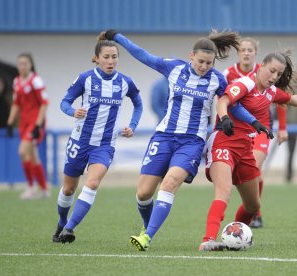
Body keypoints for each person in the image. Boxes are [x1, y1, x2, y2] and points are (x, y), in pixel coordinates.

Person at [104, 29, 268, 251]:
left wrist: (253, 122)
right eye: (201, 61)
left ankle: (147, 237)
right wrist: (117, 37)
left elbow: (233, 103)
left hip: (192, 142)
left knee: (170, 183)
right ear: (191, 56)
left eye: (209, 63)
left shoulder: (217, 79)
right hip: (164, 136)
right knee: (143, 193)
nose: (204, 66)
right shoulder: (174, 68)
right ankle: (147, 226)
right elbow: (143, 55)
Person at [200, 49, 297, 251]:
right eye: (272, 71)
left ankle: (233, 235)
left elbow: (295, 100)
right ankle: (207, 240)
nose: (274, 77)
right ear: (261, 66)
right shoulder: (245, 83)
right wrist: (224, 118)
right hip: (224, 142)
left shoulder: (271, 92)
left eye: (278, 74)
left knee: (253, 206)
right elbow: (223, 101)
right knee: (223, 193)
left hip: (245, 148)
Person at [52, 33, 143, 243]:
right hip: (79, 142)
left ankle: (70, 229)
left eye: (114, 57)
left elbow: (138, 104)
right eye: (106, 57)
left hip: (104, 145)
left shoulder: (125, 82)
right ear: (96, 58)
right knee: (68, 188)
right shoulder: (85, 79)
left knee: (92, 184)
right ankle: (62, 221)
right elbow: (64, 102)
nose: (111, 61)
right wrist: (72, 111)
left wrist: (133, 126)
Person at [223, 37, 289, 228]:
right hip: (238, 128)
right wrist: (218, 127)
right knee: (249, 174)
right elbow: (223, 100)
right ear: (238, 53)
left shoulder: (267, 71)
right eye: (242, 50)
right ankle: (252, 211)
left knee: (254, 169)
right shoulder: (228, 74)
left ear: (255, 53)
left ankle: (255, 214)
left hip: (261, 127)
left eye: (250, 50)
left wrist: (283, 127)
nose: (246, 53)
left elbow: (282, 99)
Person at [6, 53, 49, 199]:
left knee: (22, 152)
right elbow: (16, 104)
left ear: (30, 65)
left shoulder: (36, 81)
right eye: (20, 64)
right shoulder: (17, 81)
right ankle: (44, 189)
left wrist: (38, 125)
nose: (22, 66)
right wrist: (10, 122)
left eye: (25, 63)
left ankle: (31, 188)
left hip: (34, 123)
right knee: (33, 156)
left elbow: (44, 104)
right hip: (23, 123)